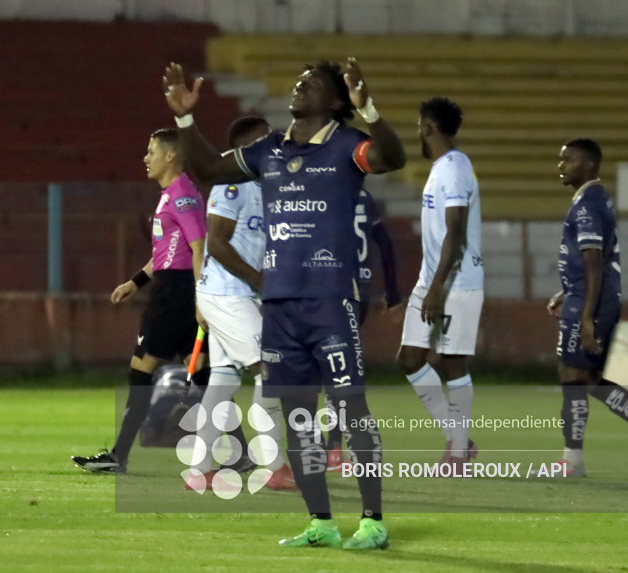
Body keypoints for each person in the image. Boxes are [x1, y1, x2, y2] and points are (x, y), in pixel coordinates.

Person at [163, 57, 406, 549]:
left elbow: (392, 158)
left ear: (335, 101)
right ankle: (320, 521)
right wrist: (186, 119)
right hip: (278, 307)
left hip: (329, 303)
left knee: (350, 408)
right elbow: (210, 167)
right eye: (297, 79)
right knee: (297, 417)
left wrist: (370, 110)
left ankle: (373, 521)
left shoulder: (345, 145)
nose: (298, 86)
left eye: (310, 83)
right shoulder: (269, 150)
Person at [541, 138, 628, 477]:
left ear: (588, 165)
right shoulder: (595, 198)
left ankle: (572, 462)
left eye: (567, 160)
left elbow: (594, 260)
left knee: (573, 377)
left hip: (591, 301)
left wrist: (586, 314)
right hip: (591, 296)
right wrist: (566, 290)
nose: (561, 166)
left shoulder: (587, 203)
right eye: (560, 160)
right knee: (587, 379)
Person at [71, 128, 206, 474]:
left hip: (177, 294)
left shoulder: (182, 196)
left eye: (151, 151)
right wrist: (136, 281)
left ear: (171, 155)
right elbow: (168, 252)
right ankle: (241, 454)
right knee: (204, 374)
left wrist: (201, 298)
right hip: (177, 288)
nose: (146, 158)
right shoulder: (172, 194)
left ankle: (119, 455)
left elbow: (198, 249)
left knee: (141, 369)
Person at [187, 115, 296, 491]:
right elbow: (216, 242)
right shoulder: (232, 180)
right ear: (249, 147)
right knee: (269, 367)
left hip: (235, 294)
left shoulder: (265, 184)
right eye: (267, 139)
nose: (276, 145)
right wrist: (259, 280)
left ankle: (199, 469)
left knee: (221, 381)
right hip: (228, 295)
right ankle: (275, 466)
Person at [396, 98, 483, 469]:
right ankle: (457, 437)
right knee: (410, 358)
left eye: (420, 125)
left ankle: (460, 453)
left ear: (427, 127)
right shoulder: (441, 168)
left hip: (457, 282)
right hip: (430, 280)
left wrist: (437, 288)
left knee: (452, 362)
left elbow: (456, 230)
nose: (418, 131)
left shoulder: (455, 168)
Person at [325, 188, 403, 471]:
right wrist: (393, 293)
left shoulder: (326, 190)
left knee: (330, 372)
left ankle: (333, 449)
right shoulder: (366, 196)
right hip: (361, 294)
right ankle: (338, 447)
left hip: (331, 290)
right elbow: (386, 243)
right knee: (341, 370)